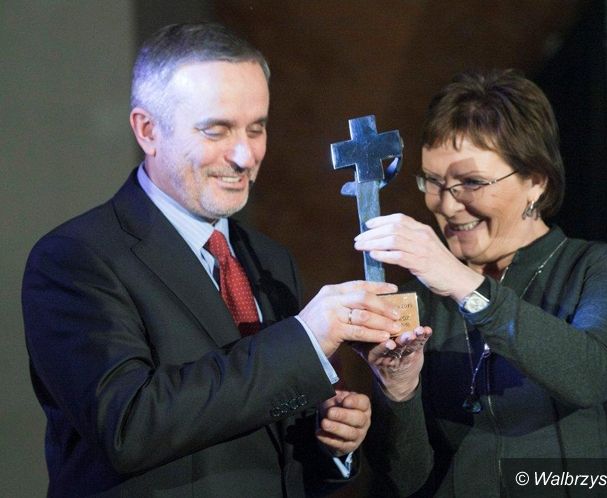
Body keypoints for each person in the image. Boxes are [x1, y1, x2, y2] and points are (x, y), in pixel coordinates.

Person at [22, 23, 405, 497]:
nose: (245, 155)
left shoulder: (269, 259)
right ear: (147, 130)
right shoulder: (76, 258)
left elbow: (264, 430)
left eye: (256, 128)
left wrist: (331, 442)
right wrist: (305, 340)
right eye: (217, 130)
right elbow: (128, 427)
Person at [353, 69, 607, 497]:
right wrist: (398, 392)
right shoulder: (420, 299)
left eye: (471, 182)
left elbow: (590, 375)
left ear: (536, 181)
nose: (447, 205)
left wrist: (464, 284)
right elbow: (404, 480)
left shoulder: (604, 269)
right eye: (433, 182)